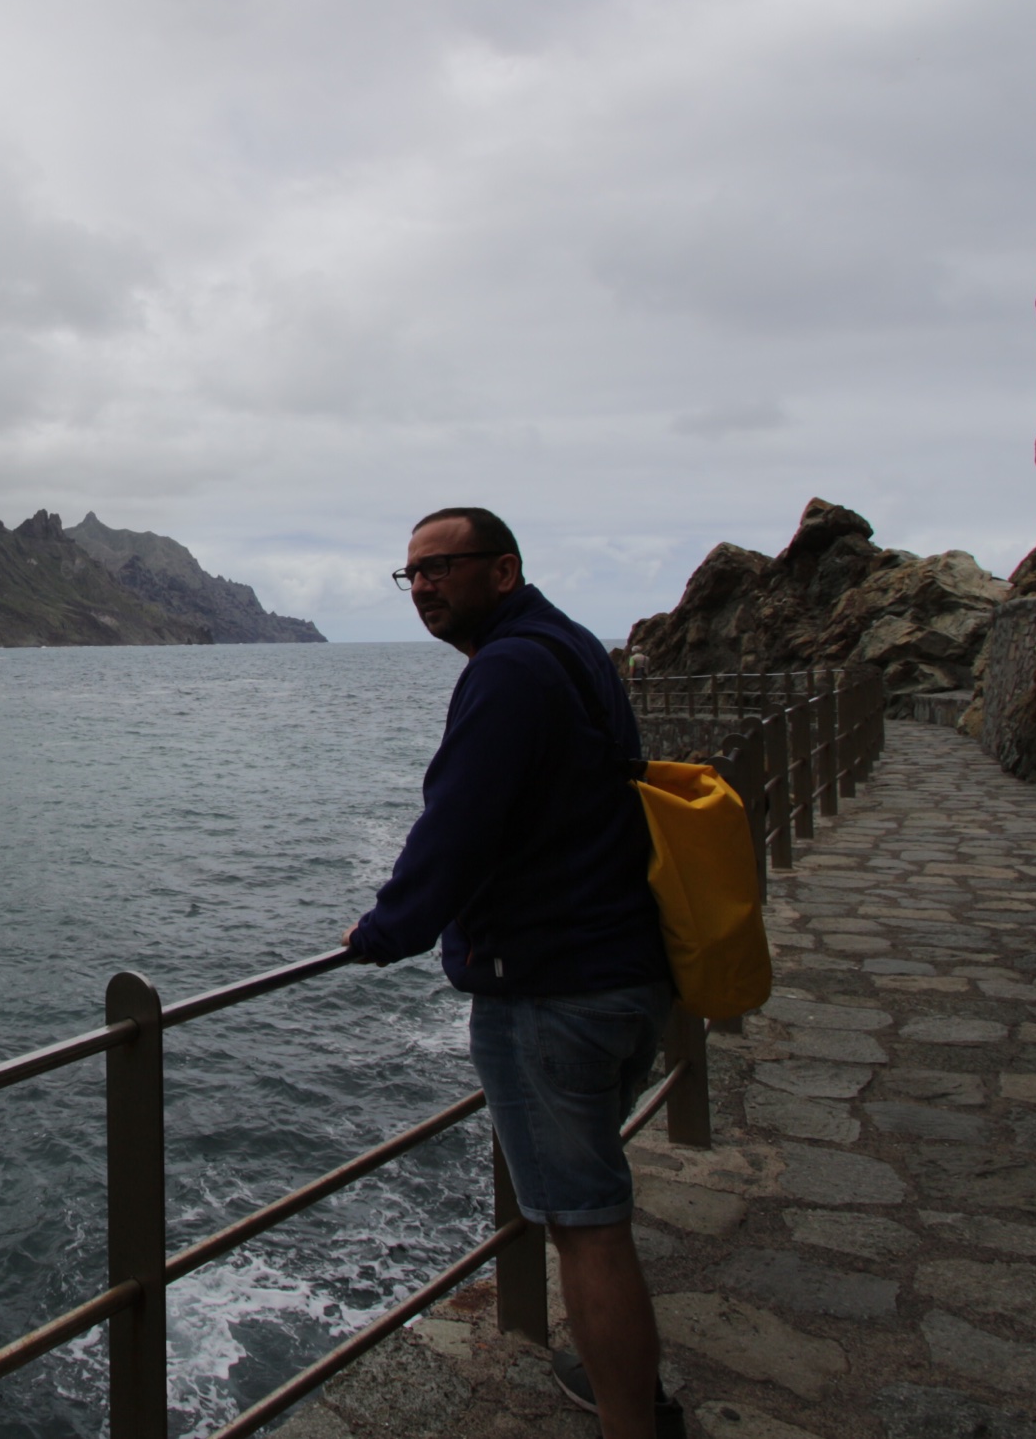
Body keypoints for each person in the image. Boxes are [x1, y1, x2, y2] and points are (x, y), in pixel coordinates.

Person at [340, 508, 680, 1439]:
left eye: (443, 568)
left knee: (586, 1223)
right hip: (625, 967)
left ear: (502, 570)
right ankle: (627, 1391)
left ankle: (631, 1422)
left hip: (554, 986)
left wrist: (384, 931)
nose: (424, 588)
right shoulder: (570, 649)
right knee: (592, 1207)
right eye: (411, 575)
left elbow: (461, 819)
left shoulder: (507, 672)